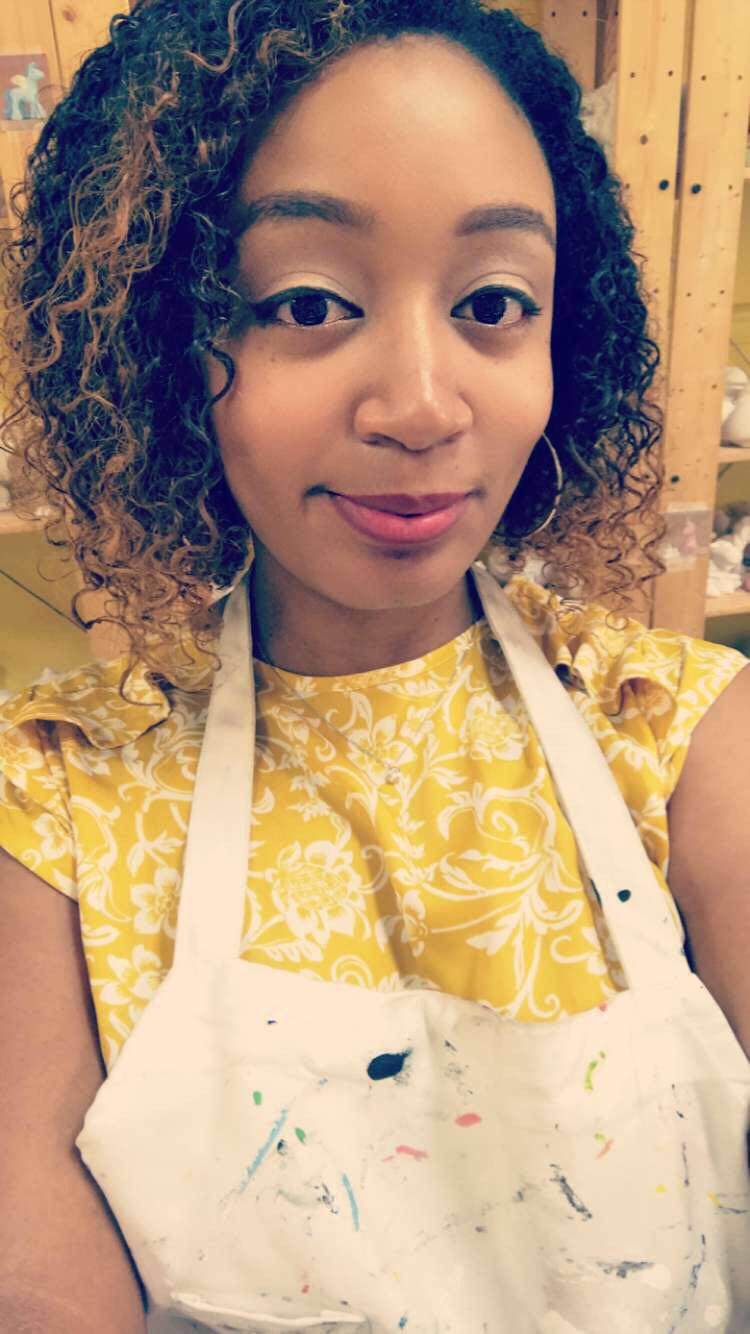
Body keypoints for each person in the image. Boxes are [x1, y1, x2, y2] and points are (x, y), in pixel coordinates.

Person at [1, 1, 748, 1329]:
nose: (419, 405)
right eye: (308, 304)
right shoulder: (55, 802)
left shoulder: (683, 735)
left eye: (492, 304)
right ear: (163, 348)